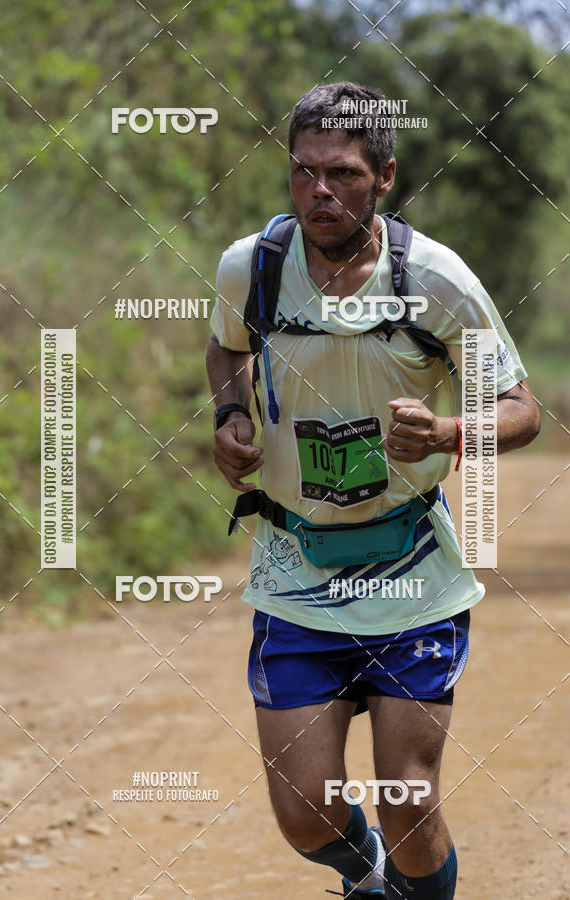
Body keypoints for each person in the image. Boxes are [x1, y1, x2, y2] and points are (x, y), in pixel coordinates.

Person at [205, 81, 540, 899]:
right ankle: (371, 881)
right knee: (305, 818)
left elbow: (522, 409)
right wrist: (230, 412)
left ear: (384, 176)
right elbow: (226, 348)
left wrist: (452, 433)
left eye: (344, 173)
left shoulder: (435, 278)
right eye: (304, 171)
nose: (320, 191)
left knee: (410, 803)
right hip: (295, 567)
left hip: (409, 568)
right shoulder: (253, 267)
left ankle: (409, 881)